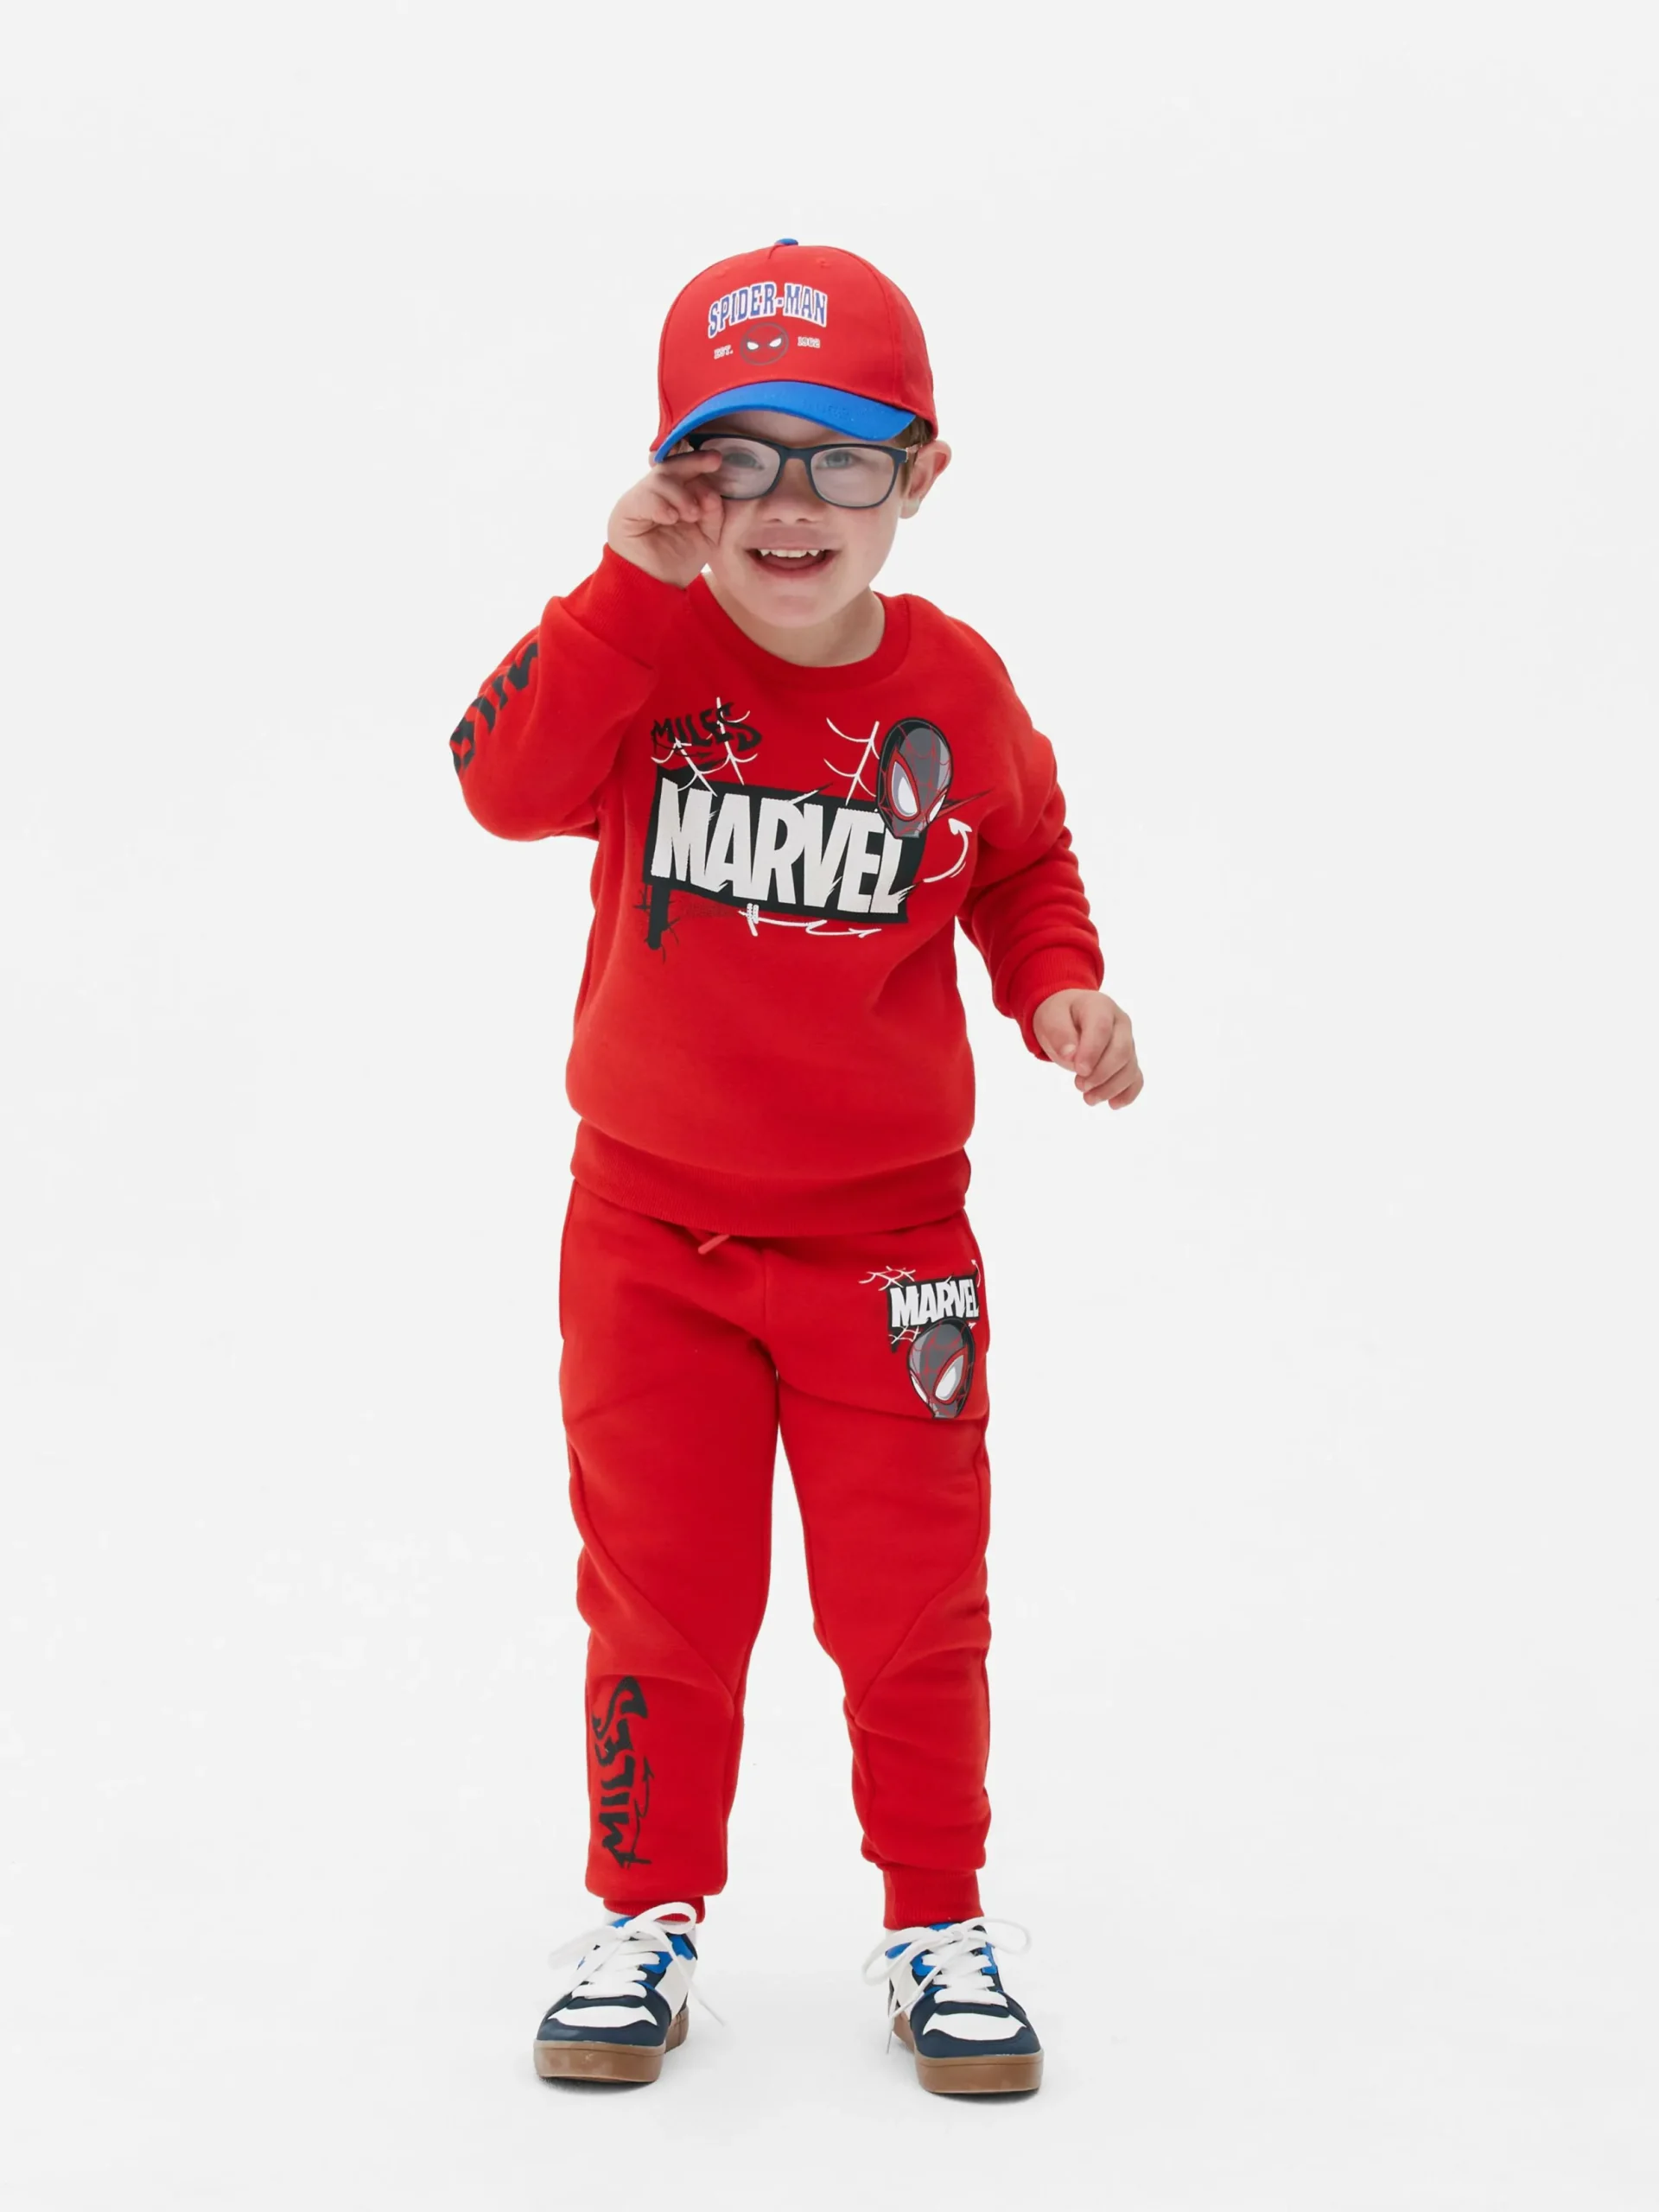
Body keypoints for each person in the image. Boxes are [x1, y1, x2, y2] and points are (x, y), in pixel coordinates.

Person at [448, 238, 1144, 2097]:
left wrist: (1058, 986)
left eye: (840, 458)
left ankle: (936, 1919)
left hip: (890, 1249)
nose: (788, 504)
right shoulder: (638, 649)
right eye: (736, 457)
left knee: (912, 1604)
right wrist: (618, 583)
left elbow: (1023, 857)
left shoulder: (956, 687)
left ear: (921, 475)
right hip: (647, 1236)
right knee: (661, 1597)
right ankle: (643, 1911)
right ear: (675, 476)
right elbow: (496, 784)